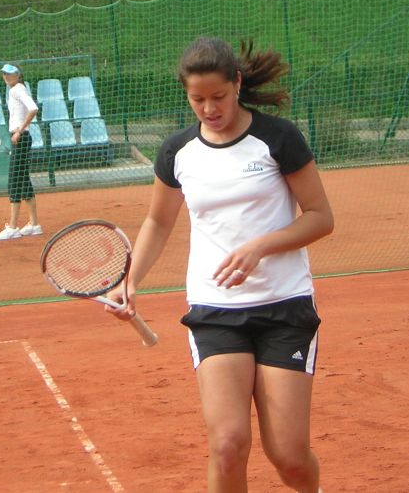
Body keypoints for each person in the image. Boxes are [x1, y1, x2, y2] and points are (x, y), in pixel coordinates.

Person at [109, 37, 333, 493]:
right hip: (215, 313)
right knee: (228, 443)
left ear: (237, 83)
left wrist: (260, 247)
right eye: (197, 100)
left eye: (218, 96)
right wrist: (130, 280)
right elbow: (158, 219)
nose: (209, 108)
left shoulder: (278, 137)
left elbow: (320, 218)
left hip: (284, 308)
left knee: (289, 457)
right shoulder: (178, 152)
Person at [0, 63, 43, 240]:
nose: (6, 77)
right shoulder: (15, 89)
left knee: (14, 181)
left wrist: (19, 131)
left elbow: (33, 108)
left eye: (9, 74)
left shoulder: (18, 90)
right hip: (20, 138)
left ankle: (13, 227)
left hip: (20, 137)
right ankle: (34, 224)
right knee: (23, 182)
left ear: (18, 75)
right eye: (4, 74)